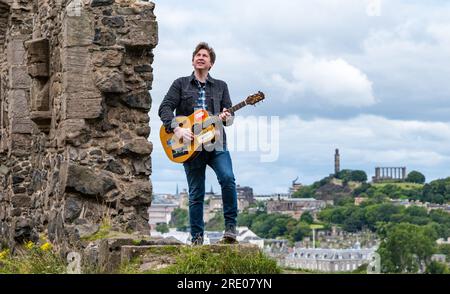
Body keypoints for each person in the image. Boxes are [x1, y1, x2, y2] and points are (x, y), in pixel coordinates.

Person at [158, 42, 238, 245]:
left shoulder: (221, 86)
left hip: (216, 144)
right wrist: (177, 128)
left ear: (211, 63)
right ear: (193, 60)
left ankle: (230, 229)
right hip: (189, 146)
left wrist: (227, 116)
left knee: (228, 179)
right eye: (197, 55)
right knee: (196, 194)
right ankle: (197, 239)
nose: (200, 57)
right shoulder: (180, 84)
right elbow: (165, 108)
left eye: (205, 56)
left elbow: (228, 119)